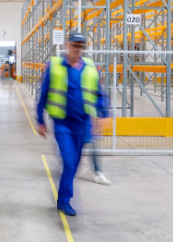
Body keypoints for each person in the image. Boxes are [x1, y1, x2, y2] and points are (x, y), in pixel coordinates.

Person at [36, 33, 110, 216]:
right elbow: (43, 95)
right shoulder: (54, 67)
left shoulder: (90, 68)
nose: (78, 49)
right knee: (69, 162)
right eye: (75, 45)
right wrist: (40, 119)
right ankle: (63, 200)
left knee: (75, 163)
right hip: (62, 123)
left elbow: (98, 94)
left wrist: (105, 114)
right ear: (67, 45)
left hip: (83, 123)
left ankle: (64, 196)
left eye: (81, 46)